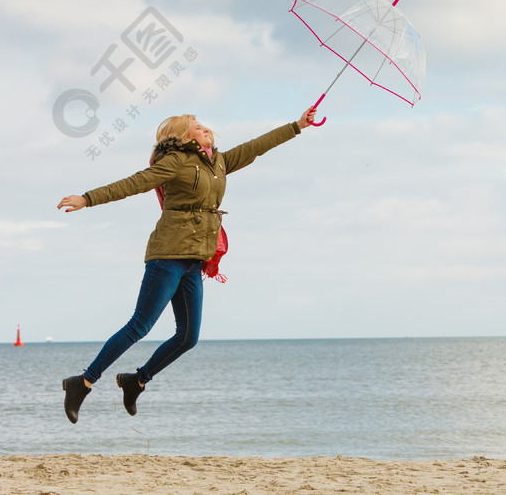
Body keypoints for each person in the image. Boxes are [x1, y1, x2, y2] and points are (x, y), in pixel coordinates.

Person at [56, 107, 316, 423]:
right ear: (183, 135)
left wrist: (297, 125)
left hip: (194, 259)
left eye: (204, 124)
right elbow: (136, 182)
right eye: (197, 126)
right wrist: (88, 198)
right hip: (167, 255)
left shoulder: (218, 162)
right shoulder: (176, 162)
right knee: (140, 325)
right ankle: (82, 383)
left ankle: (136, 380)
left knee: (188, 336)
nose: (205, 128)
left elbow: (255, 148)